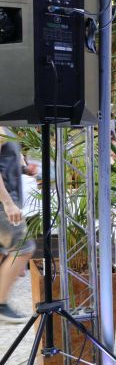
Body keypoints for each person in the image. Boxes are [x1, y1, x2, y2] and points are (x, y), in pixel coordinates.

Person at [0, 130, 35, 322]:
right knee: (23, 249)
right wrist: (7, 203)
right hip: (3, 205)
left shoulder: (6, 126)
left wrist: (24, 169)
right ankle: (1, 304)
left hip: (6, 203)